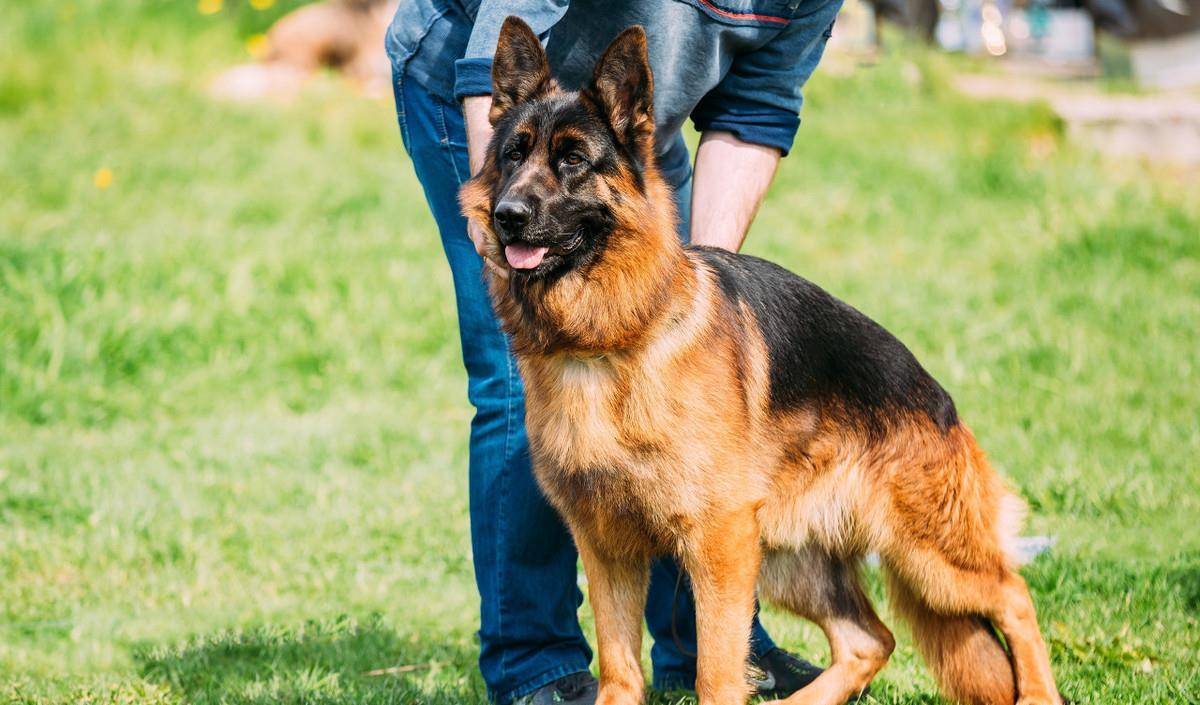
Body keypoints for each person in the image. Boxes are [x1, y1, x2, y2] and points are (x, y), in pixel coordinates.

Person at [386, 1, 843, 703]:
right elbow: (497, 38)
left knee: (687, 375)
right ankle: (535, 664)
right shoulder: (499, 133)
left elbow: (754, 109)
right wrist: (502, 201)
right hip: (482, 92)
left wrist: (696, 280)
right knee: (524, 374)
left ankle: (705, 649)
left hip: (622, 124)